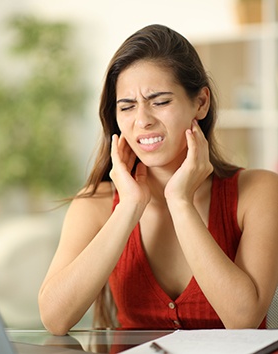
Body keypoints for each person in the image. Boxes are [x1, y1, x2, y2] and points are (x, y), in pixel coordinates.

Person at [38, 24, 278, 336]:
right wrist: (129, 207)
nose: (142, 120)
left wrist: (180, 202)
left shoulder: (259, 192)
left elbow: (242, 318)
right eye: (126, 106)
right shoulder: (96, 203)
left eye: (160, 101)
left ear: (200, 103)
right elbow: (55, 318)